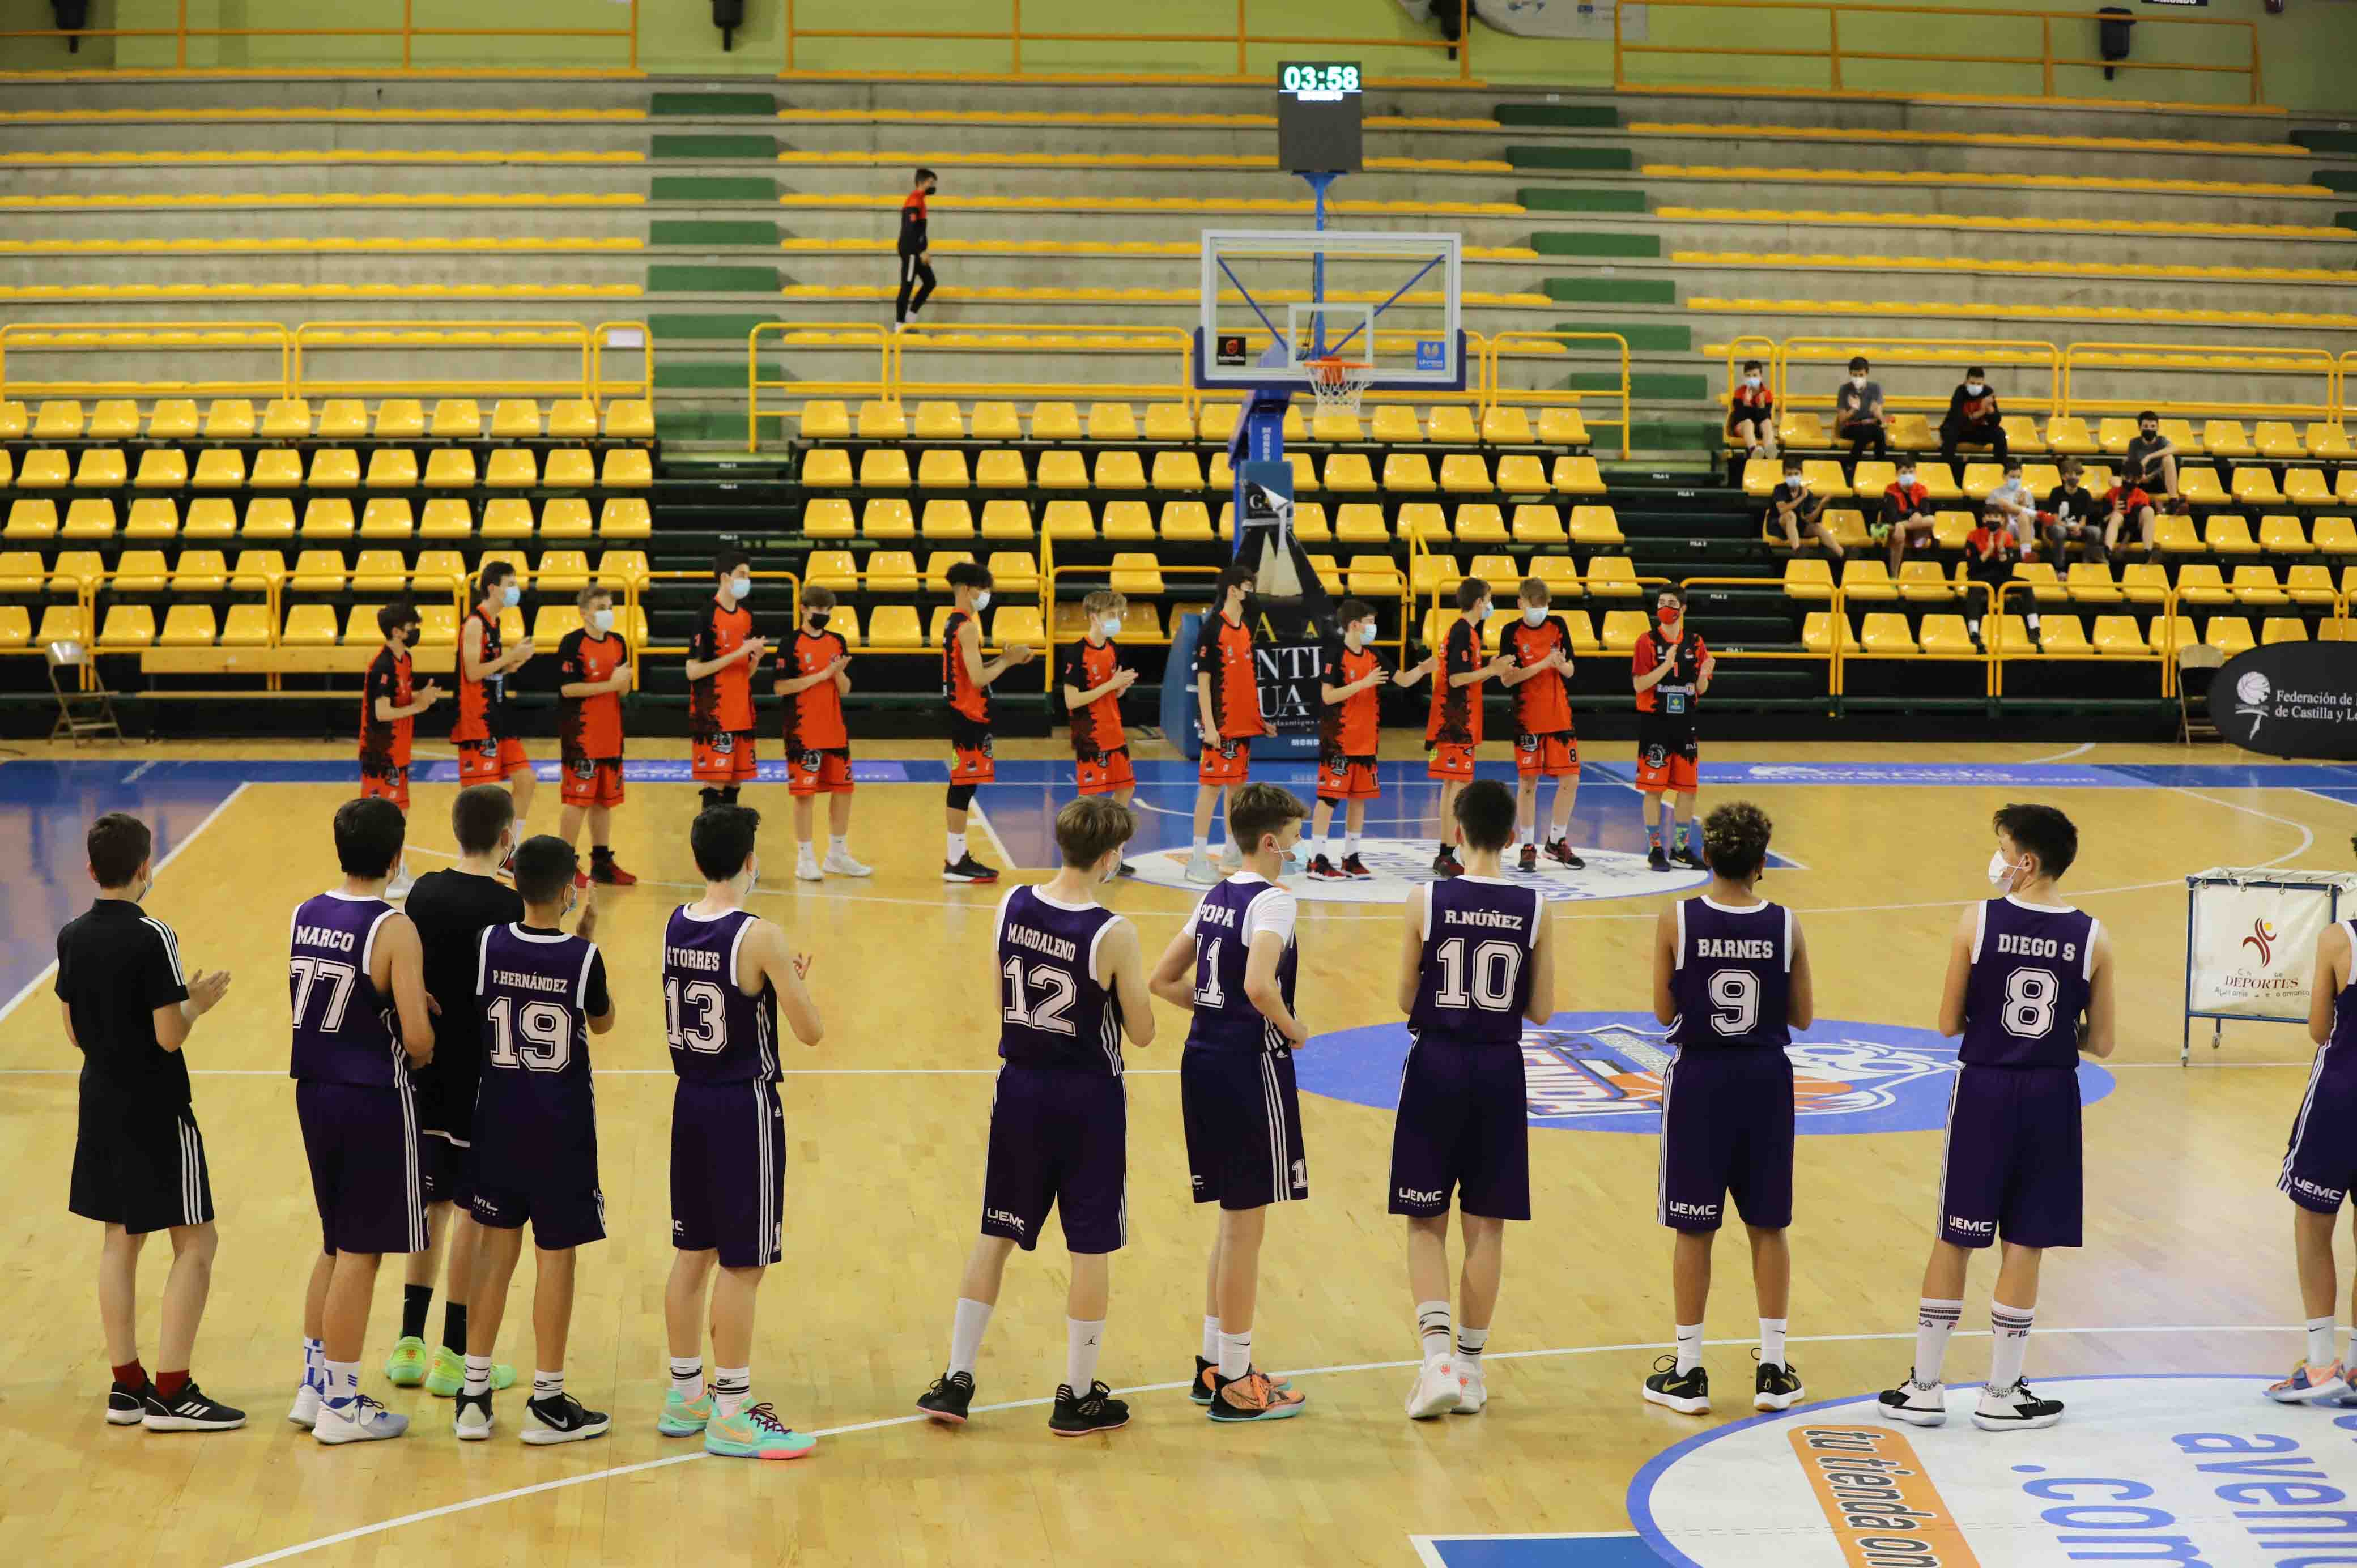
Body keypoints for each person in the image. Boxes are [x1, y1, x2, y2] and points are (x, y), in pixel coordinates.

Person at [916, 797, 1157, 1434]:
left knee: (994, 1233)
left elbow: (1002, 995)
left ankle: (956, 1378)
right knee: (1090, 1245)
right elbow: (1142, 1032)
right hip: (1087, 1099)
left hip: (1019, 1088)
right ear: (1109, 857)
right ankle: (1076, 1394)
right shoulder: (1113, 931)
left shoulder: (1011, 903)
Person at [1878, 804, 2114, 1433]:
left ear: (2026, 862)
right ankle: (2002, 1392)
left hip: (1983, 1087)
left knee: (1955, 1234)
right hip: (2051, 1093)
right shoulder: (2094, 936)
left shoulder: (1977, 919)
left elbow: (1947, 1022)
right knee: (2025, 1241)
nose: (1997, 859)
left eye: (2004, 848)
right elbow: (2103, 1041)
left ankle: (1925, 1387)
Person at [60, 812, 241, 1432]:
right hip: (155, 1107)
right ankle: (173, 1390)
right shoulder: (152, 933)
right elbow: (169, 1035)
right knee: (196, 1241)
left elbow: (73, 1031)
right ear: (144, 867)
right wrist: (197, 1003)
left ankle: (127, 1385)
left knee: (120, 1237)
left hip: (98, 1100)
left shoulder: (71, 935)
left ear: (91, 869)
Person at [659, 804, 827, 1459]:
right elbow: (810, 1030)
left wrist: (774, 982)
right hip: (741, 1107)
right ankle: (732, 1410)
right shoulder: (760, 935)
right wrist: (789, 982)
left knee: (692, 1251)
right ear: (750, 861)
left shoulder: (676, 921)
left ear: (697, 859)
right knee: (743, 1260)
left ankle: (685, 1394)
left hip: (690, 1101)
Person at [1640, 802, 1813, 1418]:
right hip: (1765, 1079)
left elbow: (1663, 1011)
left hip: (1701, 1079)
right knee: (1768, 1225)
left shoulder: (1677, 918)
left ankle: (1689, 1370)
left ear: (1707, 856)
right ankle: (1773, 1367)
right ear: (1763, 861)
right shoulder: (1786, 923)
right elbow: (1803, 1015)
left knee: (1694, 1227)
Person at [1148, 783, 1312, 1423]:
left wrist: (1213, 1006)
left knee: (1230, 1220)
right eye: (1294, 838)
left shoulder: (1213, 896)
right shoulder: (1273, 900)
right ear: (1269, 841)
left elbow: (1162, 979)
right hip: (1250, 1066)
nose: (1298, 848)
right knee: (1246, 1228)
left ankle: (1215, 1362)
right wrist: (1293, 1028)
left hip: (1202, 1060)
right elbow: (1258, 984)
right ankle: (1239, 1382)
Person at [1391, 780, 1553, 1420]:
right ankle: (1470, 1368)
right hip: (1498, 1067)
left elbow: (1404, 997)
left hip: (1436, 1062)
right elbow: (1542, 1009)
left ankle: (1435, 1363)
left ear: (1457, 833)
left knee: (1424, 1219)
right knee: (1486, 1223)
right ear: (1512, 836)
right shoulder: (1536, 907)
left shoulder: (1424, 898)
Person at [453, 836, 614, 1446]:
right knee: (556, 1256)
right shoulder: (583, 956)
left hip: (498, 1118)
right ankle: (547, 1400)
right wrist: (586, 938)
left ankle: (473, 1396)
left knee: (495, 1254)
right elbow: (602, 1021)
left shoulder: (488, 943)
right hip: (560, 1129)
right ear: (570, 890)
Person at [288, 796, 436, 1445]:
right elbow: (418, 1040)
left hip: (314, 1088)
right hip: (372, 1095)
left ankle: (314, 1383)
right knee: (361, 1251)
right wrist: (421, 1023)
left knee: (333, 1240)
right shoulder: (394, 927)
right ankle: (343, 1403)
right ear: (397, 857)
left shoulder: (305, 912)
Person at [390, 785, 524, 1404]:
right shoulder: (508, 904)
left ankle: (408, 1343)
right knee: (472, 1210)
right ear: (506, 838)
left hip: (425, 1068)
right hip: (482, 1075)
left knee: (431, 1201)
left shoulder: (423, 892)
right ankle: (454, 1352)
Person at [2265, 910, 2357, 1404]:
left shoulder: (2340, 939)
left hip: (2341, 1099)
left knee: (2313, 1224)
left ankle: (2321, 1363)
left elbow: (2320, 1029)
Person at [1307, 599, 1431, 880]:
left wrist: (1424, 669)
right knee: (1329, 799)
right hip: (1338, 742)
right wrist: (1362, 684)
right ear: (1355, 625)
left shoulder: (1374, 655)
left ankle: (1350, 858)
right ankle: (1316, 859)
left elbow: (1403, 680)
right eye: (1370, 622)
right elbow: (1328, 696)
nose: (1373, 627)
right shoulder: (1335, 654)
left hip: (1366, 741)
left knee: (1359, 799)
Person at [943, 560, 1032, 884]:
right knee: (963, 786)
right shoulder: (967, 627)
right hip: (968, 714)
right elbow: (979, 678)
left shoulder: (954, 623)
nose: (986, 595)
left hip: (965, 712)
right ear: (968, 590)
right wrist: (1008, 661)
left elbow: (972, 670)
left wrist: (1006, 659)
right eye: (984, 589)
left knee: (965, 785)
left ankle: (957, 857)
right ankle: (955, 861)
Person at [1427, 577, 1519, 880]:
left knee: (1452, 788)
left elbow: (1466, 675)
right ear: (1479, 602)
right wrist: (1492, 670)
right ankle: (1447, 854)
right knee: (1457, 789)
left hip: (1457, 721)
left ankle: (1446, 853)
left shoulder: (1466, 632)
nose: (1490, 605)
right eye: (1489, 600)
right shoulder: (1463, 632)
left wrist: (1490, 668)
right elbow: (1456, 679)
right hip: (1455, 722)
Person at [777, 585, 869, 883]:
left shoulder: (837, 641)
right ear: (804, 609)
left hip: (834, 728)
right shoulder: (790, 644)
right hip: (803, 730)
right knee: (804, 795)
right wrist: (821, 675)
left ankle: (837, 854)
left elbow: (845, 689)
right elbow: (781, 687)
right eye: (819, 610)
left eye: (828, 611)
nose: (824, 615)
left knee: (844, 790)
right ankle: (805, 859)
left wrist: (838, 673)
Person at [554, 585, 637, 889]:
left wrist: (622, 682)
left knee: (604, 800)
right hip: (581, 735)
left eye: (610, 607)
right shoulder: (572, 644)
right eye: (601, 608)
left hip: (611, 733)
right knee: (578, 801)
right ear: (584, 613)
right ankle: (564, 865)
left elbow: (622, 690)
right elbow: (568, 689)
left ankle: (602, 863)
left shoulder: (618, 642)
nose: (607, 613)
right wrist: (611, 684)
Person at [359, 601, 444, 897]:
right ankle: (384, 874)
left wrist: (422, 697)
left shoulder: (405, 659)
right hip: (381, 752)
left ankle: (395, 868)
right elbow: (382, 712)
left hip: (400, 750)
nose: (416, 631)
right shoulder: (382, 666)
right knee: (384, 816)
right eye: (412, 627)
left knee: (401, 812)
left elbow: (402, 698)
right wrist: (418, 707)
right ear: (397, 631)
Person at [1189, 564, 1267, 884]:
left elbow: (1245, 681)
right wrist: (1210, 726)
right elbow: (1204, 683)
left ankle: (1232, 851)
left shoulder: (1245, 628)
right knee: (1211, 789)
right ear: (1233, 590)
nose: (1253, 593)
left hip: (1242, 726)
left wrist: (1259, 720)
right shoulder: (1212, 629)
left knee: (1237, 789)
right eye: (1249, 587)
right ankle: (1196, 859)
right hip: (1219, 727)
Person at [1499, 578, 1582, 872]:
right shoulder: (1510, 632)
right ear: (1521, 603)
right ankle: (1528, 846)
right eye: (1534, 605)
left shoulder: (1558, 625)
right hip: (1528, 719)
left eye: (1544, 605)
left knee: (1570, 780)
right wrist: (1541, 664)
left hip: (1560, 715)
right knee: (1528, 783)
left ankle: (1556, 842)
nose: (1540, 610)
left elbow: (1571, 670)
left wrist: (1561, 665)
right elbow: (1507, 679)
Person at [453, 563, 537, 855]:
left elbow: (491, 670)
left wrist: (514, 663)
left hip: (498, 715)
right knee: (482, 799)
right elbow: (473, 672)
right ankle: (471, 857)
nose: (516, 590)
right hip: (478, 718)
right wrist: (510, 657)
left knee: (526, 781)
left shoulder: (494, 623)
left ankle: (509, 849)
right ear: (492, 588)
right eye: (510, 584)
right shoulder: (475, 623)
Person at [1059, 589, 1141, 876]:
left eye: (1119, 614)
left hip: (1114, 731)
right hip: (1090, 736)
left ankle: (1113, 854)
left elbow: (1110, 694)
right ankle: (1084, 857)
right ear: (1094, 617)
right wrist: (1110, 685)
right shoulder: (1076, 652)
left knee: (1126, 788)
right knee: (1090, 803)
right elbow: (1072, 701)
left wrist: (1120, 688)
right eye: (1111, 615)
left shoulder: (1114, 649)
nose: (1117, 620)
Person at [1632, 586, 1714, 872]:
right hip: (1655, 724)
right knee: (1653, 790)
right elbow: (1640, 685)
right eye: (1661, 602)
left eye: (1671, 603)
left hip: (1685, 724)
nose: (1665, 607)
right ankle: (1655, 849)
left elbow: (1701, 689)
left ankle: (1680, 848)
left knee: (1688, 790)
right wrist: (1666, 666)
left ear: (1683, 609)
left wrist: (1704, 674)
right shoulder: (1646, 641)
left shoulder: (1696, 642)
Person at [686, 551, 765, 815]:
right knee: (715, 788)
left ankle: (729, 840)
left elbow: (743, 674)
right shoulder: (706, 616)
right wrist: (739, 653)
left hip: (742, 713)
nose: (746, 581)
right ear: (724, 577)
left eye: (748, 576)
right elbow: (692, 671)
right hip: (714, 715)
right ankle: (708, 840)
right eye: (742, 575)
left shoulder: (747, 616)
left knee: (734, 786)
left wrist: (754, 660)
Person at [1964, 505, 2022, 638]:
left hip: (2000, 577)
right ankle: (1974, 631)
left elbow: (2008, 569)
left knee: (2026, 586)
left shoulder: (2007, 537)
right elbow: (1971, 566)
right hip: (1979, 576)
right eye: (1990, 516)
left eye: (1996, 517)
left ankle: (2034, 628)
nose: (1993, 519)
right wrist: (1988, 552)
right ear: (1984, 519)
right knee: (1975, 588)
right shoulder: (1973, 535)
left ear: (2002, 520)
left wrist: (2001, 549)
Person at [1769, 458, 1841, 561]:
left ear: (1801, 474)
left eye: (1796, 474)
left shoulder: (1808, 494)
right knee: (1790, 515)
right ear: (1784, 475)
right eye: (1789, 474)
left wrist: (1820, 505)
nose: (1793, 477)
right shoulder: (1779, 489)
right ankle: (1797, 550)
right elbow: (1782, 510)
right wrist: (1802, 497)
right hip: (1779, 525)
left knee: (1818, 527)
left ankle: (1843, 554)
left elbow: (1809, 519)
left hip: (1797, 526)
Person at [894, 165, 937, 330]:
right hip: (911, 250)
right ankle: (899, 326)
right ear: (922, 183)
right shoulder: (914, 200)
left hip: (916, 250)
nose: (933, 187)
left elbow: (919, 231)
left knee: (930, 282)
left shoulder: (920, 200)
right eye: (931, 183)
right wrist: (920, 251)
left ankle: (909, 320)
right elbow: (910, 230)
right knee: (907, 287)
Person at [2043, 457, 2105, 566]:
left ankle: (2087, 562)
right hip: (2060, 528)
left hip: (2078, 529)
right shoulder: (2056, 493)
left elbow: (2083, 521)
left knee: (2096, 531)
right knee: (2059, 531)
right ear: (2064, 477)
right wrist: (2069, 527)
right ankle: (2060, 567)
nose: (2075, 477)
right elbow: (2055, 520)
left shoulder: (2085, 494)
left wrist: (2078, 528)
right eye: (2072, 474)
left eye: (2078, 474)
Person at [1939, 367, 2006, 467]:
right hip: (1961, 430)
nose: (1975, 386)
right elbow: (1956, 418)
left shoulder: (1987, 392)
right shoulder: (1960, 391)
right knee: (1949, 431)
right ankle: (1948, 467)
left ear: (1983, 383)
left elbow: (1996, 422)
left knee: (2000, 433)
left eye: (1979, 384)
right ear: (1966, 382)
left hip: (1977, 431)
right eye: (1972, 383)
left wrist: (1990, 409)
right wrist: (1978, 414)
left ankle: (2000, 468)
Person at [1881, 458, 1938, 576]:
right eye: (1904, 472)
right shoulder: (1890, 490)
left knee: (1932, 520)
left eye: (1911, 472)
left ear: (1916, 473)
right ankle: (1894, 575)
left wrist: (1918, 514)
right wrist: (1898, 523)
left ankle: (1912, 534)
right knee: (1899, 535)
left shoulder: (1921, 489)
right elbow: (1891, 513)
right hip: (1893, 526)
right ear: (1897, 474)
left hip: (1913, 525)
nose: (1908, 475)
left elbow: (1925, 509)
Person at [2122, 408, 2179, 513]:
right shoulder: (2134, 443)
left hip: (2159, 480)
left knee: (2169, 458)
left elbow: (2175, 449)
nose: (2150, 429)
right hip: (2140, 480)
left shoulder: (2162, 441)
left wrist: (2149, 457)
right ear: (2140, 427)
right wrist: (2141, 476)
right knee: (2118, 475)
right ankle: (2125, 504)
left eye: (2153, 426)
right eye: (2146, 426)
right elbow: (2132, 465)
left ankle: (2174, 502)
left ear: (2157, 427)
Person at [1834, 355, 1890, 461]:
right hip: (1851, 427)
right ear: (1850, 374)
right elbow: (1842, 419)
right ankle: (1855, 463)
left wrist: (1876, 416)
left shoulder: (1875, 388)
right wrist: (1854, 409)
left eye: (1861, 375)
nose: (1858, 378)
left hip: (1871, 426)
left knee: (1878, 431)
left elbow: (1879, 417)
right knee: (1870, 432)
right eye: (1855, 375)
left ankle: (1855, 463)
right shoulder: (1844, 389)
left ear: (1867, 374)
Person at [1727, 358, 1776, 463]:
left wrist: (1761, 407)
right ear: (1744, 377)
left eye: (1755, 375)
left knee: (1767, 422)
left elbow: (1766, 417)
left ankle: (1769, 450)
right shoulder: (1739, 393)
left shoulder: (1767, 394)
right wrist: (1746, 404)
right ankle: (1754, 451)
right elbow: (1739, 417)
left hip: (1759, 428)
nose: (1751, 379)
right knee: (1748, 423)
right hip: (1742, 427)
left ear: (1761, 377)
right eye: (1748, 376)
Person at [1984, 458, 2038, 553]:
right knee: (2002, 503)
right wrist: (2011, 510)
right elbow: (1989, 518)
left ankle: (2026, 555)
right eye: (2013, 477)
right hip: (2003, 527)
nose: (2016, 480)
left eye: (2019, 477)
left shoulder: (2026, 493)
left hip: (2024, 529)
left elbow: (2032, 521)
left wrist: (2023, 505)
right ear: (2004, 477)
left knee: (2023, 516)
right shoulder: (1995, 494)